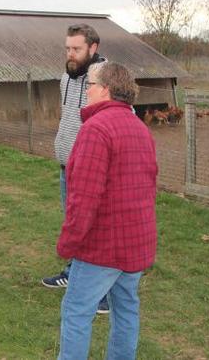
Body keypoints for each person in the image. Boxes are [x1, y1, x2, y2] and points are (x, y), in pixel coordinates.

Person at [56, 61, 158, 360]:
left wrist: (68, 242)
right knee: (126, 309)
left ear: (106, 90)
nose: (86, 92)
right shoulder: (139, 127)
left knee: (76, 311)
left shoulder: (96, 129)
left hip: (102, 246)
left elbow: (83, 197)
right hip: (136, 242)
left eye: (90, 85)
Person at [42, 23, 109, 314]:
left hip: (91, 170)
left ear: (93, 49)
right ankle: (73, 273)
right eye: (68, 48)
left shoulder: (107, 80)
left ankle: (103, 295)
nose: (70, 54)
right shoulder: (66, 78)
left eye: (77, 49)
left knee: (96, 230)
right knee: (74, 225)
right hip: (66, 166)